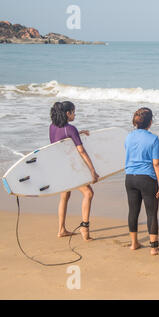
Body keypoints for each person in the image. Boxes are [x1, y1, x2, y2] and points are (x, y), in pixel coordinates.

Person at [49, 101, 99, 241]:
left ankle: (61, 229)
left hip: (59, 167)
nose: (74, 114)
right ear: (67, 113)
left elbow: (61, 143)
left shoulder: (52, 127)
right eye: (73, 111)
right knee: (88, 193)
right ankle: (85, 229)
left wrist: (78, 133)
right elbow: (81, 151)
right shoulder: (70, 129)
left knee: (65, 196)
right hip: (69, 169)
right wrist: (92, 170)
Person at [125, 107, 159, 255]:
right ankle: (154, 248)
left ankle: (134, 243)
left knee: (133, 211)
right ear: (150, 122)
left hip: (130, 178)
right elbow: (156, 163)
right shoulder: (153, 139)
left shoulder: (128, 137)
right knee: (151, 213)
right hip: (147, 179)